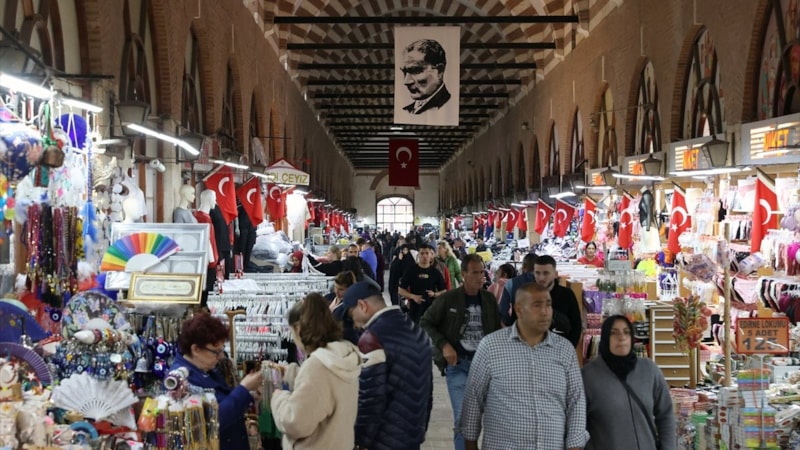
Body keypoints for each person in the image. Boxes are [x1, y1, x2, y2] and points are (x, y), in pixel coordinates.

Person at [460, 283, 589, 450]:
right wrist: (470, 443)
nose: (545, 312)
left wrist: (574, 446)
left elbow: (576, 401)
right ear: (518, 310)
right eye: (537, 305)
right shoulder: (491, 346)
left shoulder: (564, 349)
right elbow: (473, 400)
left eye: (548, 305)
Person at [420, 254, 502, 450]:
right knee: (464, 419)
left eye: (482, 272)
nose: (480, 277)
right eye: (475, 273)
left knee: (493, 419)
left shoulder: (489, 299)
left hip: (485, 368)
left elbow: (495, 330)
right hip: (459, 366)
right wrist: (444, 345)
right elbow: (426, 322)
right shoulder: (449, 299)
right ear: (463, 274)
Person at [338, 282, 433, 450]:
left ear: (362, 305)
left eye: (352, 315)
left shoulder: (372, 338)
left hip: (382, 440)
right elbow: (427, 389)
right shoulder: (417, 331)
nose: (353, 323)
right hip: (412, 435)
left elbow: (370, 398)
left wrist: (360, 441)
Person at [271, 293, 361, 450]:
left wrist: (278, 397)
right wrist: (292, 373)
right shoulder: (342, 355)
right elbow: (324, 390)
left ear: (298, 328)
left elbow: (295, 423)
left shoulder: (317, 366)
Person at [171, 313, 264, 449]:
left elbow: (220, 401)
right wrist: (243, 389)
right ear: (195, 349)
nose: (220, 357)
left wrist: (249, 394)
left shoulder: (207, 369)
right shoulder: (179, 380)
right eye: (215, 352)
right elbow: (206, 425)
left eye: (221, 350)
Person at [582, 315, 676, 450]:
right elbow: (578, 426)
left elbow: (665, 414)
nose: (621, 337)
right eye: (614, 333)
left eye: (626, 332)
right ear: (605, 338)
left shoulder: (649, 370)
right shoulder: (588, 376)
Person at [500, 254, 582, 348]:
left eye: (546, 273)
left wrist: (568, 350)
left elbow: (576, 327)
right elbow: (516, 324)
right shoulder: (525, 294)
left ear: (555, 274)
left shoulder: (567, 295)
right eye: (537, 273)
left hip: (560, 350)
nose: (541, 278)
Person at [400, 39, 452, 115]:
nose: (406, 82)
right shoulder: (407, 111)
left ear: (440, 71)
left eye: (415, 70)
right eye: (404, 72)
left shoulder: (447, 107)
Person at [398, 244, 446, 323]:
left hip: (431, 311)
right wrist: (413, 297)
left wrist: (434, 294)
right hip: (414, 311)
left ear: (431, 255)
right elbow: (400, 290)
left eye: (427, 253)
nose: (424, 256)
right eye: (422, 253)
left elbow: (444, 291)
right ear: (418, 255)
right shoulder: (411, 271)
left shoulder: (435, 272)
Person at [327, 271, 360, 345]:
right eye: (335, 287)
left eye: (341, 289)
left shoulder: (351, 307)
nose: (336, 291)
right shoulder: (329, 297)